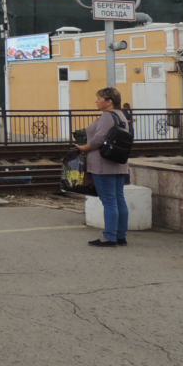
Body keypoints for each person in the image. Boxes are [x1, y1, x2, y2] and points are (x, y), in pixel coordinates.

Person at [75, 87, 130, 247]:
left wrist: (84, 148)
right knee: (119, 199)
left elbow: (99, 138)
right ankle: (121, 235)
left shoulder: (107, 115)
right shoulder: (121, 115)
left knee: (109, 201)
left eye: (99, 98)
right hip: (118, 162)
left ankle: (109, 237)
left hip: (103, 164)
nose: (96, 101)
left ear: (109, 101)